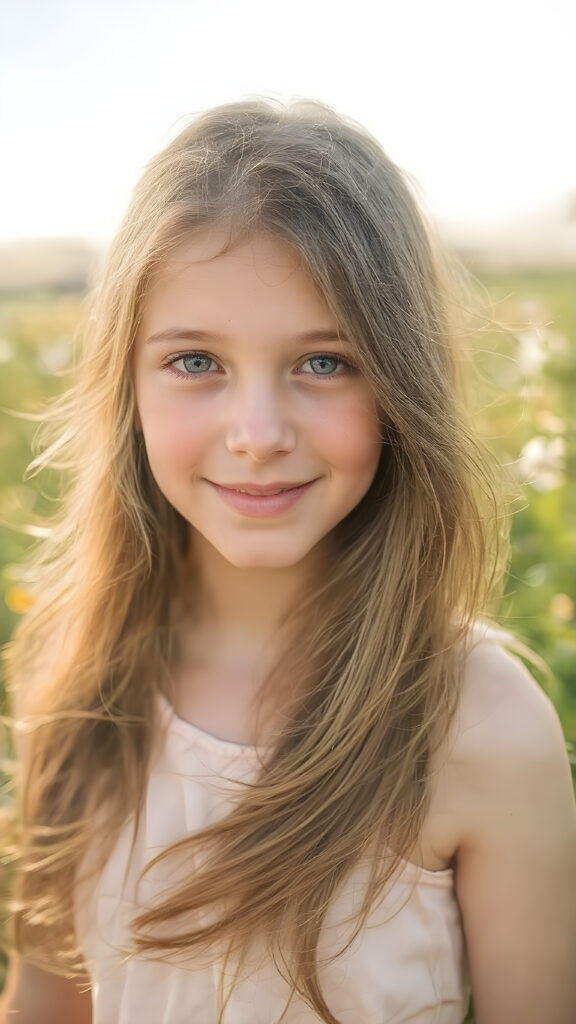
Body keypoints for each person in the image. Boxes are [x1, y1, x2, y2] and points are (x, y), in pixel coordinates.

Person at [2, 99, 575, 1024]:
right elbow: (44, 1005)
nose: (258, 434)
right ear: (126, 388)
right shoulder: (76, 674)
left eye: (324, 363)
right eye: (196, 362)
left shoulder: (482, 725)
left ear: (402, 387)